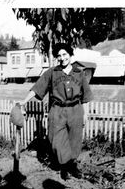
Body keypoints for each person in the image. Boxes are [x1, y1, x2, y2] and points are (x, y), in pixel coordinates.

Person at [20, 43, 93, 180]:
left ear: (70, 55)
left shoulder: (79, 73)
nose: (62, 58)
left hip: (76, 110)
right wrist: (24, 101)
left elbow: (86, 95)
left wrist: (86, 114)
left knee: (74, 140)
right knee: (57, 141)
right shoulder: (51, 73)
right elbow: (37, 89)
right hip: (57, 110)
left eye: (65, 54)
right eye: (59, 55)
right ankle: (64, 166)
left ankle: (71, 166)